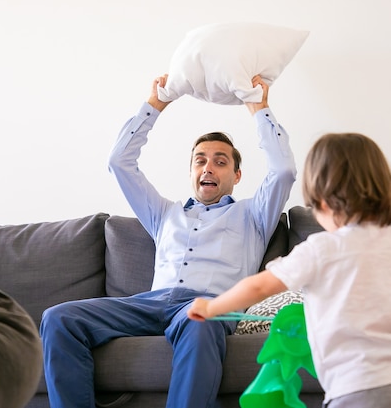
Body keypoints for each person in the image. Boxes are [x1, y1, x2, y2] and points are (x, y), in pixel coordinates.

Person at [39, 73, 297, 408]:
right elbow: (119, 164)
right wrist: (156, 104)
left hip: (206, 305)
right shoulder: (164, 214)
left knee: (199, 319)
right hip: (149, 304)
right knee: (58, 318)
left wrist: (258, 108)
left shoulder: (254, 215)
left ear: (236, 176)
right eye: (200, 160)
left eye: (221, 162)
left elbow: (284, 172)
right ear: (191, 171)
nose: (209, 167)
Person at [188, 132, 391, 408]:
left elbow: (259, 287)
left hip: (361, 381)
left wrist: (212, 308)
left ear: (320, 198)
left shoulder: (321, 248)